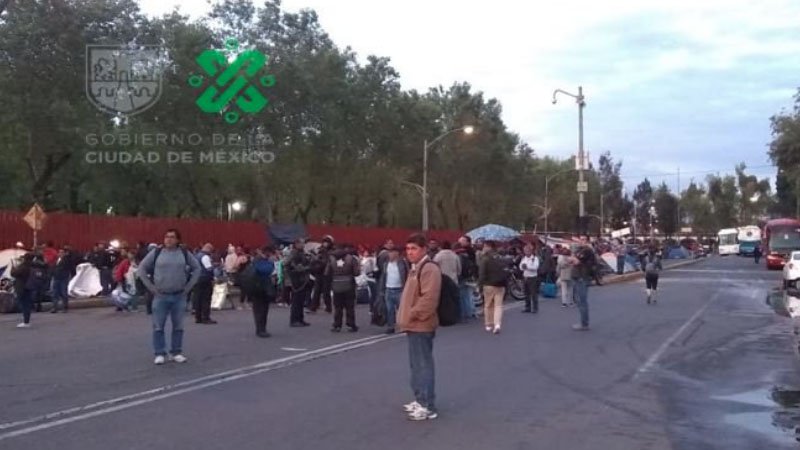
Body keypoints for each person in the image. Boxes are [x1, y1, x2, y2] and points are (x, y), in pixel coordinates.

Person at [137, 229, 201, 365]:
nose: (168, 240)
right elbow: (141, 269)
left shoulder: (184, 253)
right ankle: (159, 353)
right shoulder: (156, 252)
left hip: (179, 295)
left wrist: (188, 287)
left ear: (178, 240)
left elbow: (197, 268)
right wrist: (151, 288)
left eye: (172, 237)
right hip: (161, 295)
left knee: (178, 326)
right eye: (166, 237)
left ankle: (176, 352)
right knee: (158, 326)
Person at [397, 233, 442, 421]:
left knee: (423, 365)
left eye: (414, 248)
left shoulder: (428, 268)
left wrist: (413, 314)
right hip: (413, 324)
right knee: (416, 365)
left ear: (424, 249)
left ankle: (427, 405)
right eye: (408, 249)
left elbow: (429, 299)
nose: (410, 252)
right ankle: (419, 398)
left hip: (421, 325)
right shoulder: (415, 268)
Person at [246, 246, 277, 338]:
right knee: (260, 309)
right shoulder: (259, 260)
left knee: (262, 309)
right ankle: (260, 329)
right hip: (259, 287)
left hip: (259, 287)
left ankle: (262, 328)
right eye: (272, 254)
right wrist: (271, 263)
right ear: (268, 253)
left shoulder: (258, 259)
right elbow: (266, 270)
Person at [478, 240, 508, 334]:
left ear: (488, 246)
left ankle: (488, 324)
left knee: (488, 305)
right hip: (501, 284)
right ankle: (497, 324)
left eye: (484, 246)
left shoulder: (485, 258)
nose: (483, 248)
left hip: (488, 284)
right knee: (498, 305)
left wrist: (480, 286)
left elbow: (482, 274)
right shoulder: (500, 257)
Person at [11, 253, 48, 328]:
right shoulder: (34, 265)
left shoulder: (24, 266)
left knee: (23, 304)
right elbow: (45, 266)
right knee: (27, 303)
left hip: (22, 287)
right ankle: (27, 320)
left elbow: (14, 273)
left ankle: (26, 321)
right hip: (30, 286)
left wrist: (13, 268)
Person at [377, 246, 408, 334]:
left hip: (399, 289)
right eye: (389, 253)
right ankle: (390, 326)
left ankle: (403, 326)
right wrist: (381, 290)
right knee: (389, 310)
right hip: (389, 289)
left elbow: (407, 274)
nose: (390, 255)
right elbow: (383, 277)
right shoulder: (386, 264)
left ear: (397, 254)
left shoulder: (402, 263)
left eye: (392, 253)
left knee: (401, 310)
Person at [330, 246, 360, 332]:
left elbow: (327, 272)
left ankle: (337, 325)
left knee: (338, 307)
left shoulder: (332, 259)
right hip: (349, 284)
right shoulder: (351, 259)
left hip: (336, 284)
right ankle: (350, 325)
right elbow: (356, 273)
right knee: (349, 306)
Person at [571, 236, 595, 331]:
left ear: (587, 241)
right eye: (580, 239)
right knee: (579, 300)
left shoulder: (587, 251)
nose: (581, 241)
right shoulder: (580, 250)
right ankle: (583, 322)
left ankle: (584, 323)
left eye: (583, 239)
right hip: (578, 277)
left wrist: (574, 259)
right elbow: (572, 260)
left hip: (582, 277)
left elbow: (576, 261)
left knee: (582, 301)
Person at [286, 238, 312, 327]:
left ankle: (300, 319)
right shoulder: (294, 253)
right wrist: (299, 268)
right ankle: (294, 320)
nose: (303, 245)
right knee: (296, 300)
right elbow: (287, 263)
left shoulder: (302, 253)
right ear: (296, 244)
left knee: (301, 300)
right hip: (296, 279)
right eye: (301, 243)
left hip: (303, 279)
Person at [309, 236, 334, 313]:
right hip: (319, 272)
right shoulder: (320, 250)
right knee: (316, 291)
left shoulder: (331, 251)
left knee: (326, 291)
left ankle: (328, 307)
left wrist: (317, 259)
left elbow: (327, 261)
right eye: (324, 242)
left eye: (327, 242)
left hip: (327, 273)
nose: (325, 243)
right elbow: (315, 261)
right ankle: (313, 307)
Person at [193, 243, 216, 324]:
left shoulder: (196, 256)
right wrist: (214, 268)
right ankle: (205, 317)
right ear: (209, 249)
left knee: (198, 298)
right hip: (205, 279)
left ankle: (198, 317)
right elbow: (209, 268)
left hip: (196, 279)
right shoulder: (205, 257)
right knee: (206, 298)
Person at [519, 244, 540, 313]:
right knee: (526, 293)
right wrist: (523, 267)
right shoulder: (524, 258)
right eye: (525, 251)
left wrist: (527, 267)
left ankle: (535, 308)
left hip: (533, 278)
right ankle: (527, 307)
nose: (526, 252)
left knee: (533, 293)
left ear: (531, 251)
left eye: (527, 251)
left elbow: (536, 267)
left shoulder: (534, 258)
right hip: (525, 277)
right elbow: (520, 267)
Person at [50, 247, 72, 313]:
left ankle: (65, 307)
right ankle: (54, 307)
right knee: (55, 293)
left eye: (62, 252)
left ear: (65, 253)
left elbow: (65, 268)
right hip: (56, 278)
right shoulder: (57, 260)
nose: (60, 254)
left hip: (63, 278)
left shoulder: (67, 260)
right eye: (59, 252)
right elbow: (53, 267)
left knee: (63, 293)